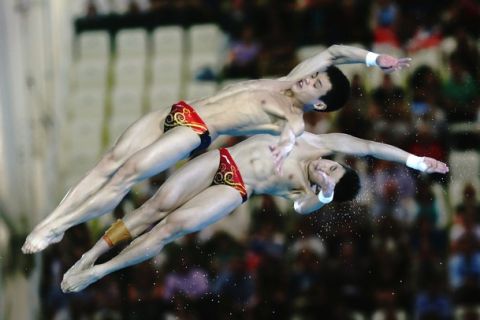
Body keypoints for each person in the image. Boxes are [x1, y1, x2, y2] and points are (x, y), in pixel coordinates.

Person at [22, 44, 411, 254]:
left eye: (316, 85)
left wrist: (288, 148)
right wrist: (377, 60)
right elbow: (333, 52)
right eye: (313, 76)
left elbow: (311, 139)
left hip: (197, 130)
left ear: (320, 104)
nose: (309, 80)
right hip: (182, 108)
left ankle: (59, 227)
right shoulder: (288, 79)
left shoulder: (291, 117)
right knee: (109, 161)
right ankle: (51, 222)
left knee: (126, 174)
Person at [60, 132, 448, 292]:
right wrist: (416, 161)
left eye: (327, 176)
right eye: (331, 166)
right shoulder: (317, 143)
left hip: (236, 188)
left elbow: (306, 205)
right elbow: (368, 146)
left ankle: (99, 271)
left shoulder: (307, 192)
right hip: (223, 159)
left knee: (170, 228)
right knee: (155, 206)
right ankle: (90, 253)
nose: (323, 170)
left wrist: (326, 196)